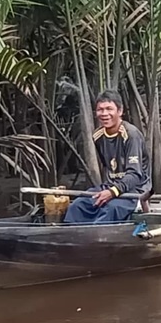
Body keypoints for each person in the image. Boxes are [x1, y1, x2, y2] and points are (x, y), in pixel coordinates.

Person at [63, 91, 151, 224]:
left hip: (135, 191)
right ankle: (71, 237)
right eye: (100, 110)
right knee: (78, 206)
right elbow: (108, 167)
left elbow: (135, 175)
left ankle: (96, 241)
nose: (104, 114)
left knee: (110, 210)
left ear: (120, 111)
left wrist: (113, 191)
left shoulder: (131, 135)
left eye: (109, 109)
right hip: (109, 186)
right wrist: (109, 190)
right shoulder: (98, 136)